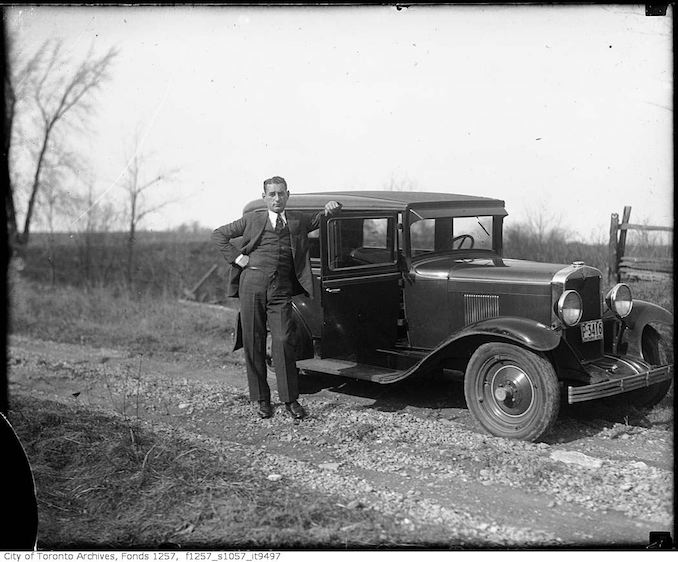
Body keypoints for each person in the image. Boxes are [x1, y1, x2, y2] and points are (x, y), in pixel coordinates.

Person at [212, 176, 342, 420]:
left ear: (288, 195)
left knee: (283, 340)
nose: (276, 198)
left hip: (281, 289)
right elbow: (218, 234)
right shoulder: (252, 220)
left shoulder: (296, 220)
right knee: (254, 340)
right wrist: (239, 259)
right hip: (252, 286)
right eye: (271, 194)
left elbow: (320, 218)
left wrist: (331, 206)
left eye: (281, 193)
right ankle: (262, 399)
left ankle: (290, 400)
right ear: (264, 197)